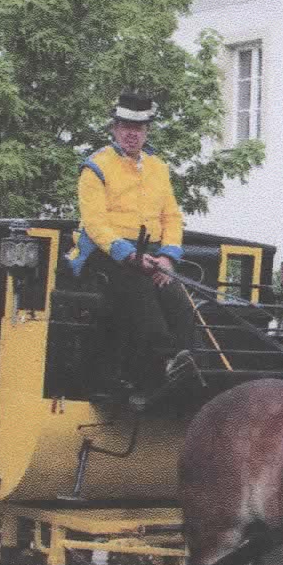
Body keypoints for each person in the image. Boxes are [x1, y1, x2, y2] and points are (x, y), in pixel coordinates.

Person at [68, 93, 197, 407]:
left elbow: (172, 217)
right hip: (105, 255)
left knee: (178, 301)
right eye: (126, 126)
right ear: (114, 128)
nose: (132, 133)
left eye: (138, 127)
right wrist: (130, 256)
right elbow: (95, 224)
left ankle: (186, 371)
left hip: (152, 253)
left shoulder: (158, 168)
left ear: (147, 130)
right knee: (141, 295)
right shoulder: (95, 167)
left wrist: (167, 257)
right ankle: (153, 375)